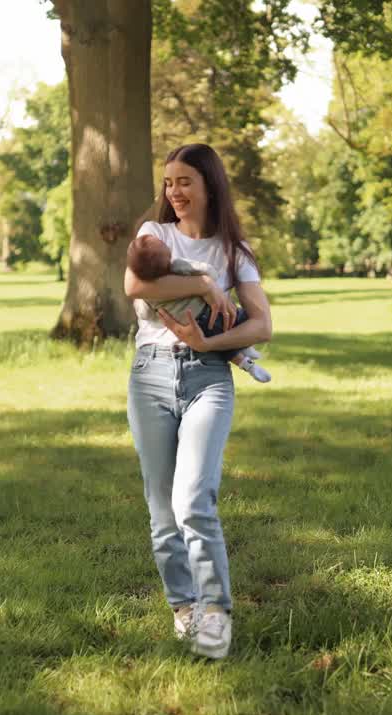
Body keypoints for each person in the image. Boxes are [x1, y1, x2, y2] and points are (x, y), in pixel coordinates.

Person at [124, 143, 273, 659]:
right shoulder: (154, 234)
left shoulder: (237, 250)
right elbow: (133, 283)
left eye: (185, 181)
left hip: (209, 376)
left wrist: (210, 343)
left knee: (194, 498)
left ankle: (214, 615)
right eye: (168, 183)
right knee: (162, 509)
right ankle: (182, 607)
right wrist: (205, 283)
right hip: (151, 377)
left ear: (210, 184)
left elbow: (262, 324)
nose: (174, 192)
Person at [126, 234, 272, 383]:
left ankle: (247, 364)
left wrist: (140, 303)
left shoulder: (148, 296)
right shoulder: (177, 267)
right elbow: (206, 270)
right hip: (208, 313)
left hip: (192, 326)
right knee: (242, 318)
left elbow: (145, 314)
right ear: (168, 254)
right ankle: (243, 346)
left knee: (218, 344)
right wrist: (210, 282)